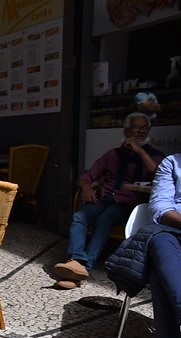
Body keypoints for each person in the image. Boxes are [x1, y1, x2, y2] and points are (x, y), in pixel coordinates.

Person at [53, 112, 163, 288]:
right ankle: (76, 260)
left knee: (105, 219)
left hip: (127, 203)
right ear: (126, 130)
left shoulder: (154, 155)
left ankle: (84, 268)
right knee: (79, 217)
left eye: (145, 128)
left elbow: (159, 174)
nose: (141, 131)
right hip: (104, 199)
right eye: (137, 127)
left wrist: (140, 151)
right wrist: (86, 187)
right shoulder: (113, 155)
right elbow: (87, 176)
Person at [118, 151, 181, 338]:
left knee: (161, 272)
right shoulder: (174, 163)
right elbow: (160, 208)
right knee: (159, 240)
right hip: (177, 239)